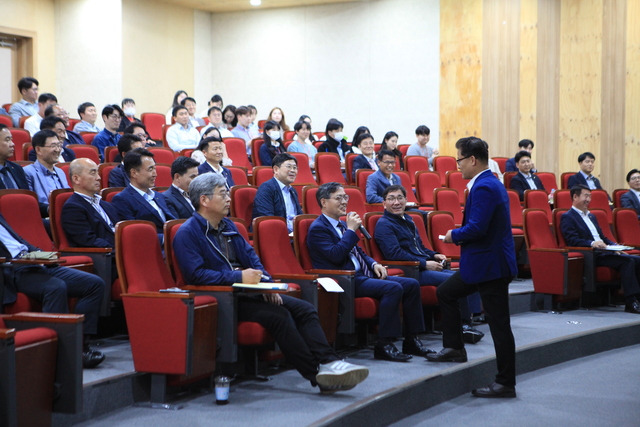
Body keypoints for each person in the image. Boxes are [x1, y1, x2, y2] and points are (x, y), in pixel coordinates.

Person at [174, 173, 369, 393]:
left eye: (228, 193)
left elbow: (253, 260)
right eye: (223, 194)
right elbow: (196, 276)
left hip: (250, 292)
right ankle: (316, 374)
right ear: (204, 200)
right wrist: (237, 277)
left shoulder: (229, 226)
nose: (229, 198)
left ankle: (330, 362)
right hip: (226, 298)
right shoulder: (187, 233)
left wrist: (266, 284)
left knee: (304, 308)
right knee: (279, 316)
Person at [425, 137, 517, 399]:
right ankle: (454, 348)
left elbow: (478, 228)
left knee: (499, 325)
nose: (458, 166)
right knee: (446, 292)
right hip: (483, 264)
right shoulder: (488, 183)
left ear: (473, 160)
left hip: (490, 267)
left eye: (460, 160)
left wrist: (453, 235)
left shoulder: (485, 186)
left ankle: (505, 383)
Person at [308, 182, 431, 362]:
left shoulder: (341, 225)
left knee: (411, 285)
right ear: (324, 202)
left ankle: (412, 339)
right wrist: (351, 230)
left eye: (345, 197)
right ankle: (384, 343)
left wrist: (373, 264)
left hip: (362, 275)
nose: (344, 202)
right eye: (339, 198)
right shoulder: (319, 228)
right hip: (344, 279)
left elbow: (359, 252)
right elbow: (335, 256)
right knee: (393, 288)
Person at [375, 185, 484, 343]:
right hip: (410, 271)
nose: (396, 202)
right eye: (391, 199)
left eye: (400, 198)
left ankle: (466, 323)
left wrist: (434, 254)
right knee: (458, 280)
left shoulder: (409, 219)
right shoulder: (384, 224)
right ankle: (462, 326)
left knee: (466, 275)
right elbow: (394, 254)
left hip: (421, 265)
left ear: (406, 200)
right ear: (384, 204)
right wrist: (425, 263)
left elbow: (420, 247)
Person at [0, 212, 106, 368]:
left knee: (94, 284)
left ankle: (80, 345)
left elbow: (18, 241)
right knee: (56, 287)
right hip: (13, 269)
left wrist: (40, 254)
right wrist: (20, 259)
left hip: (35, 262)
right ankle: (58, 355)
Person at [560, 185, 640, 314]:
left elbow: (603, 237)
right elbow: (572, 240)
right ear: (575, 197)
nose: (589, 199)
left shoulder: (592, 216)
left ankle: (637, 298)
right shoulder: (568, 217)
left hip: (604, 252)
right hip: (592, 255)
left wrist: (615, 246)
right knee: (628, 262)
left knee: (637, 259)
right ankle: (630, 301)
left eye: (590, 196)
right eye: (586, 196)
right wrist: (592, 243)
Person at [111, 148, 177, 242]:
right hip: (152, 248)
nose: (155, 174)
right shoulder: (122, 199)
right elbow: (134, 234)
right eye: (150, 169)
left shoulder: (160, 196)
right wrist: (167, 239)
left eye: (155, 168)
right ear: (134, 173)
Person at [62, 158, 119, 249]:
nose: (98, 178)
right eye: (93, 173)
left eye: (98, 173)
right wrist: (119, 248)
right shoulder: (73, 208)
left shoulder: (107, 205)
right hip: (105, 257)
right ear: (76, 179)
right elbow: (88, 240)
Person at [24, 130, 71, 217]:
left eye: (59, 145)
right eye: (53, 146)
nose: (58, 150)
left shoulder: (60, 172)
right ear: (38, 150)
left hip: (66, 215)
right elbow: (29, 203)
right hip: (45, 217)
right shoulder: (27, 172)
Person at [252, 153, 302, 232]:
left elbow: (299, 216)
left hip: (294, 235)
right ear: (276, 169)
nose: (293, 170)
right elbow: (267, 219)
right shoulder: (266, 188)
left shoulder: (292, 191)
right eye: (289, 167)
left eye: (295, 168)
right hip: (275, 234)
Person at [0, 124, 30, 191]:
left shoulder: (17, 168)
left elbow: (26, 196)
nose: (13, 144)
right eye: (7, 140)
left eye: (11, 139)